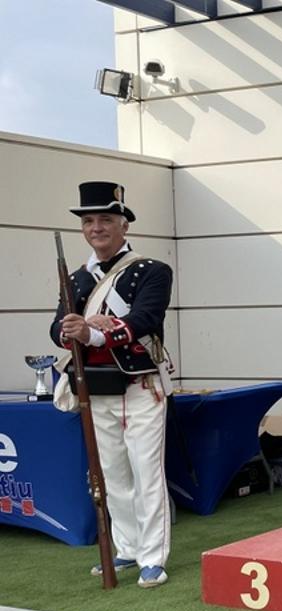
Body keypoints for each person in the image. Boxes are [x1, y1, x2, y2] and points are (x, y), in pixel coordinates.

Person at [51, 181, 173, 588]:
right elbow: (58, 328)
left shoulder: (152, 270)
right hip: (95, 389)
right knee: (113, 476)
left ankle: (153, 556)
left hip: (139, 386)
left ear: (124, 225)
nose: (97, 227)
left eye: (106, 219)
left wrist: (95, 333)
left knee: (146, 473)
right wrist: (72, 330)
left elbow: (145, 320)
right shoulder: (76, 278)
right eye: (89, 221)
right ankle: (127, 548)